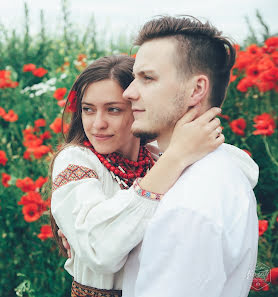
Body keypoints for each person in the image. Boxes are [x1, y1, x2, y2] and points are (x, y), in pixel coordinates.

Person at [49, 54, 227, 297]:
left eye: (113, 110)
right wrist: (175, 158)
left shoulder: (158, 159)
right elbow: (100, 250)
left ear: (138, 108)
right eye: (88, 110)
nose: (97, 124)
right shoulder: (77, 160)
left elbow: (245, 168)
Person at [118, 16, 259, 297]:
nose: (128, 93)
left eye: (147, 78)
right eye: (135, 78)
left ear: (197, 89)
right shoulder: (215, 170)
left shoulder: (190, 204)